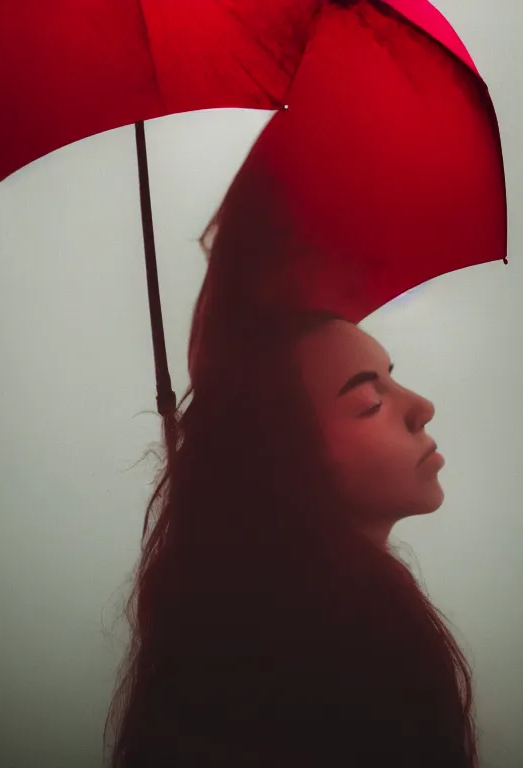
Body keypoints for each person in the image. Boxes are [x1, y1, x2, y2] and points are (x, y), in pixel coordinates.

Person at [102, 158, 479, 768]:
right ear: (283, 460)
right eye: (368, 401)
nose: (421, 408)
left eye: (394, 378)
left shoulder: (222, 651)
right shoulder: (352, 657)